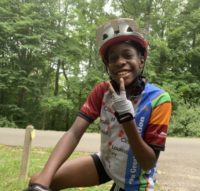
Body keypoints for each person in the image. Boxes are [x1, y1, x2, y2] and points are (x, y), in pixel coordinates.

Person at [25, 18, 172, 191]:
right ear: (107, 65)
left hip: (135, 179)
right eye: (113, 58)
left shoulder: (159, 99)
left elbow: (148, 163)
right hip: (107, 162)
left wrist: (128, 121)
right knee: (40, 179)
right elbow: (73, 133)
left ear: (141, 60)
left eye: (127, 55)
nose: (120, 61)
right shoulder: (102, 91)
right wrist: (42, 183)